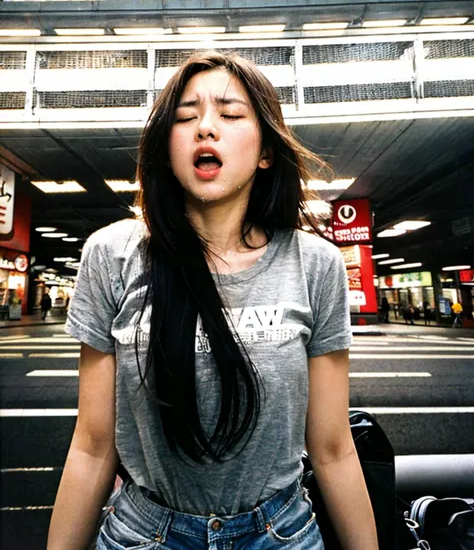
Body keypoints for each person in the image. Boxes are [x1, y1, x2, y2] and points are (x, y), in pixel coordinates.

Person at [47, 52, 378, 550]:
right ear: (166, 148)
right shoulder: (112, 254)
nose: (205, 127)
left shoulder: (315, 264)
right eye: (185, 117)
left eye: (230, 113)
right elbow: (93, 447)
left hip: (281, 534)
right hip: (144, 535)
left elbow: (332, 449)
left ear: (266, 151)